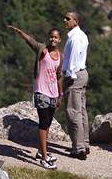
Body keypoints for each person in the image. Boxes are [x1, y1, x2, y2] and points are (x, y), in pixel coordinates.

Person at [8, 25, 64, 170]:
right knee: (43, 123)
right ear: (49, 38)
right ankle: (44, 158)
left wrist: (61, 94)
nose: (53, 39)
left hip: (53, 93)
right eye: (51, 36)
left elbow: (59, 76)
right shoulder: (42, 49)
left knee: (49, 123)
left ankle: (41, 151)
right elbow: (30, 41)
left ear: (59, 40)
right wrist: (20, 31)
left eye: (56, 37)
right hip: (41, 91)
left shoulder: (60, 56)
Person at [62, 11, 90, 160]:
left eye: (68, 18)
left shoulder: (75, 38)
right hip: (81, 73)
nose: (65, 20)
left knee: (73, 112)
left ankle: (78, 149)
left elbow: (72, 62)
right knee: (81, 110)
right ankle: (84, 143)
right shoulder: (81, 35)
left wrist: (66, 79)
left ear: (76, 21)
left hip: (74, 76)